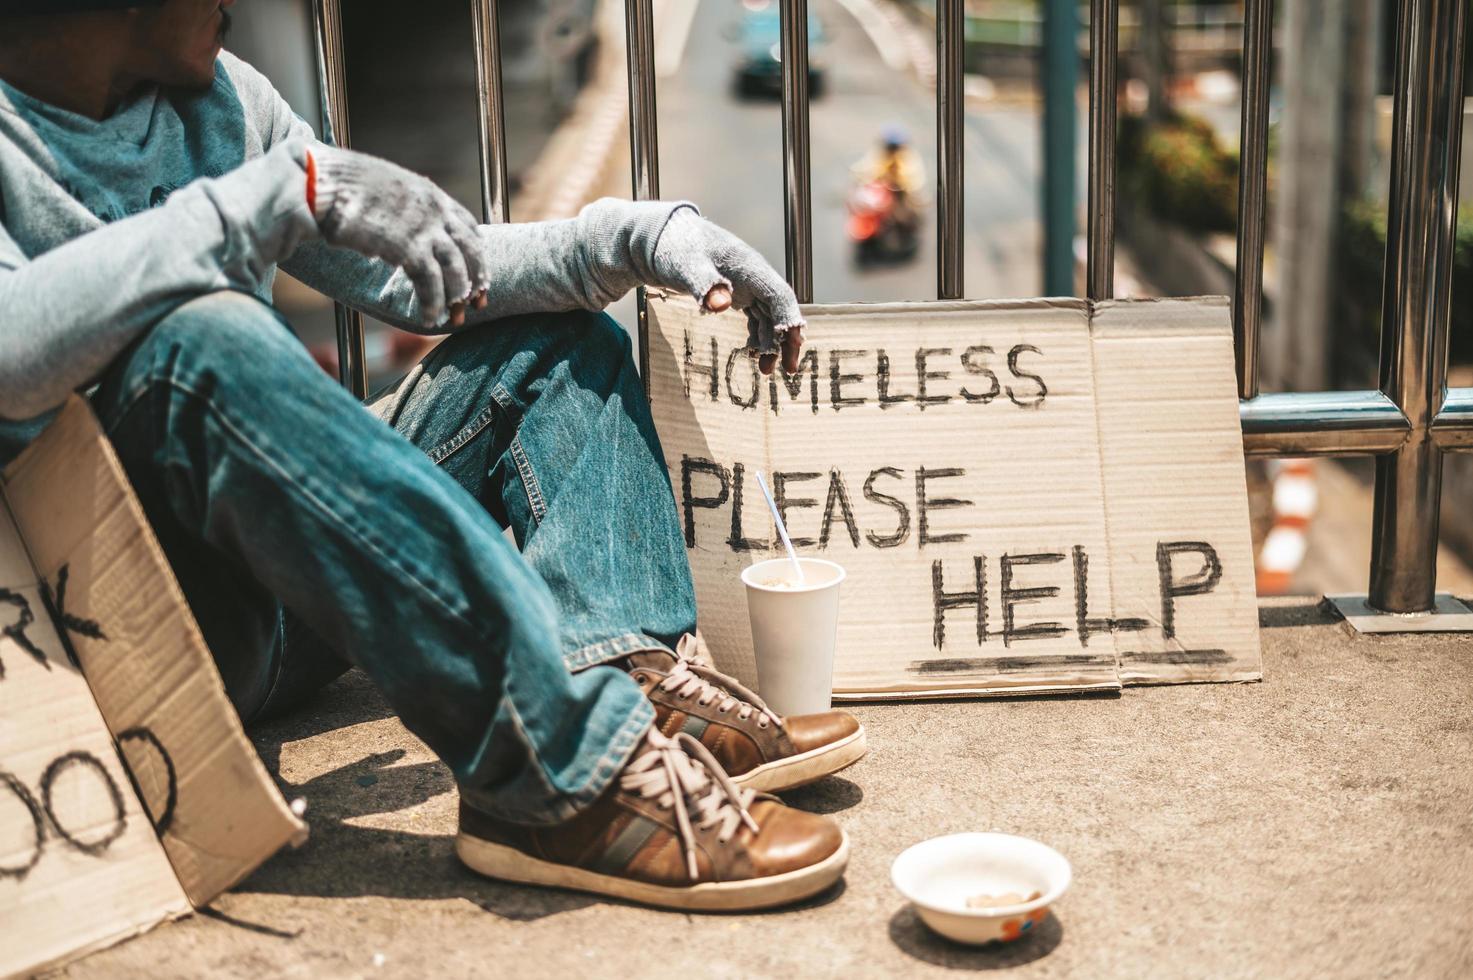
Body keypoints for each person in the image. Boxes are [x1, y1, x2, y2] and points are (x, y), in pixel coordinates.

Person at [0, 0, 867, 912]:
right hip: (134, 645)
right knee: (200, 341)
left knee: (556, 340)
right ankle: (558, 781)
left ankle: (617, 685)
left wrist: (633, 239)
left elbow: (431, 271)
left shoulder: (223, 100)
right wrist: (250, 208)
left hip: (296, 588)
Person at [850, 124, 926, 238]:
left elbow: (915, 179)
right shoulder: (878, 155)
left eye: (895, 147)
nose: (892, 151)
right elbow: (865, 169)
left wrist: (905, 186)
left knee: (913, 209)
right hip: (881, 191)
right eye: (890, 147)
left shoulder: (908, 158)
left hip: (901, 193)